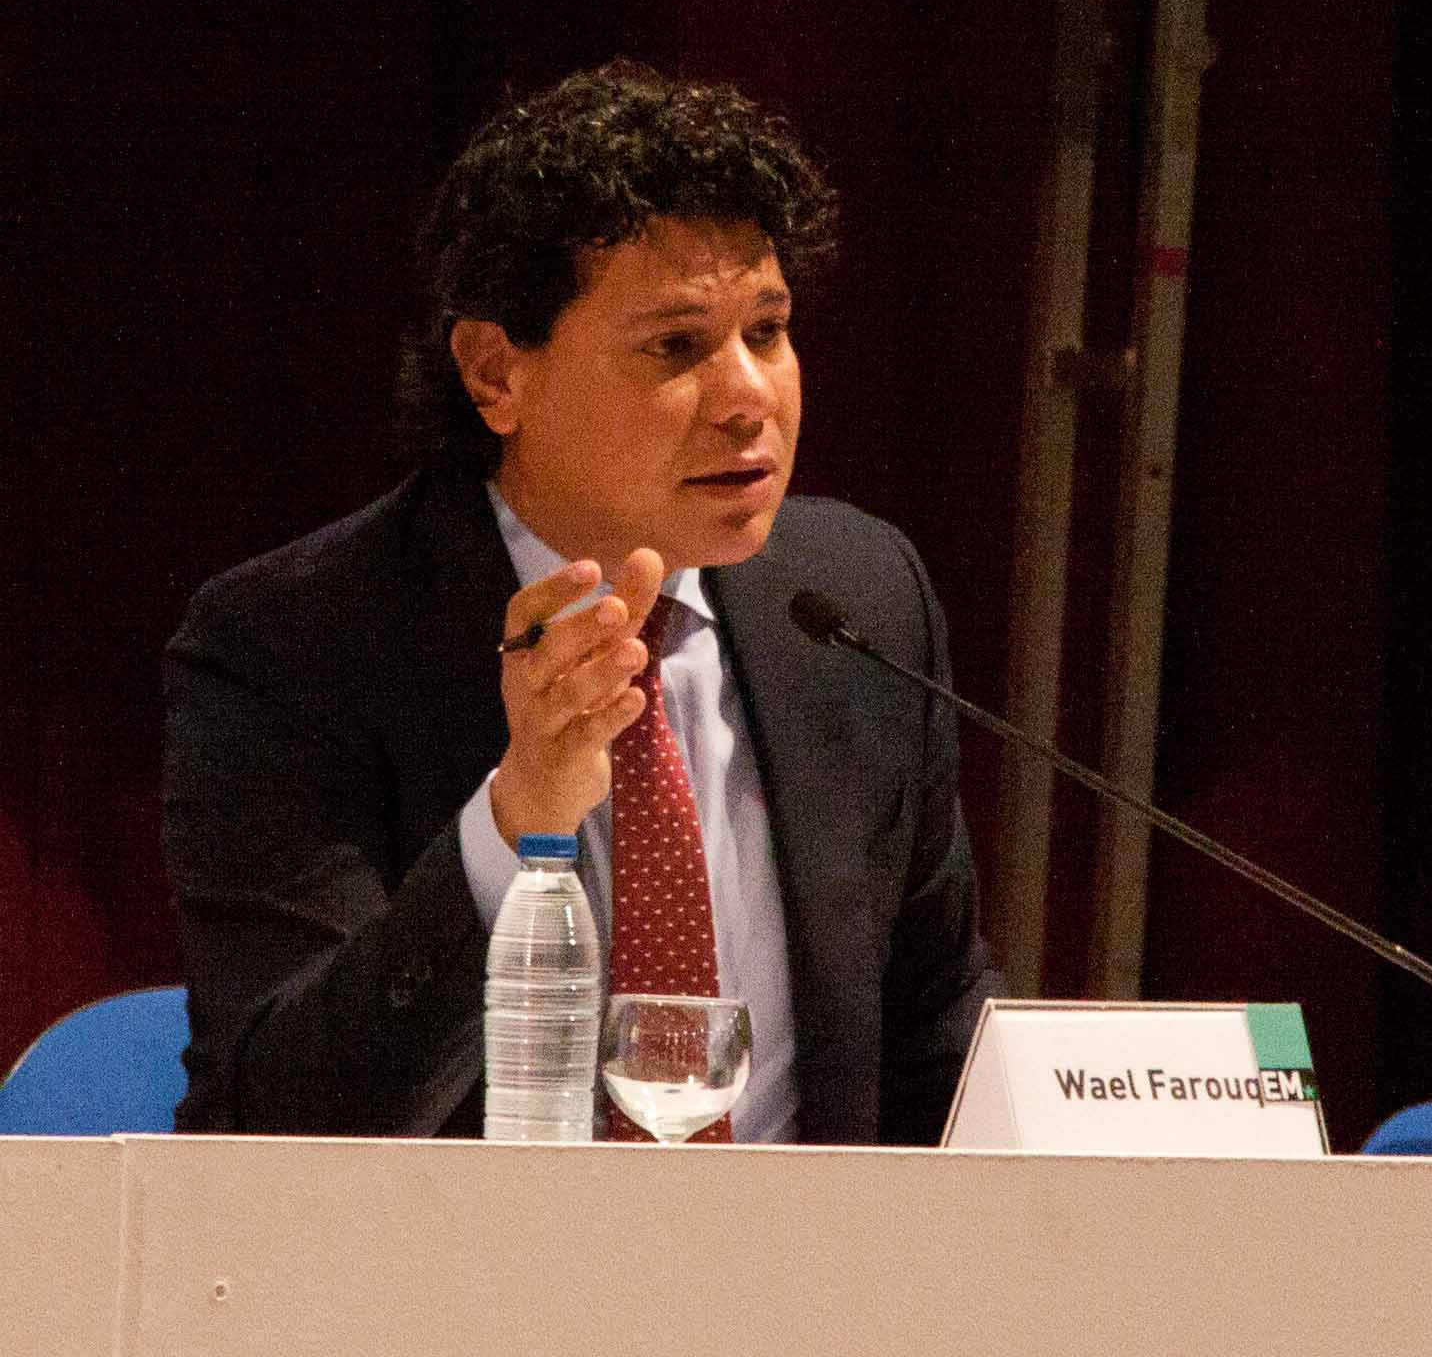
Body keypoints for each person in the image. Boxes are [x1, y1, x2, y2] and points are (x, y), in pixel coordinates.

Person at [163, 61, 996, 1141]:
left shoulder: (855, 599)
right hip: (456, 1251)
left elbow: (938, 1032)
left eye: (767, 330)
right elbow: (271, 1123)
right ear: (496, 375)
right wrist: (512, 824)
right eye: (677, 346)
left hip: (798, 1248)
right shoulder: (292, 645)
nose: (749, 396)